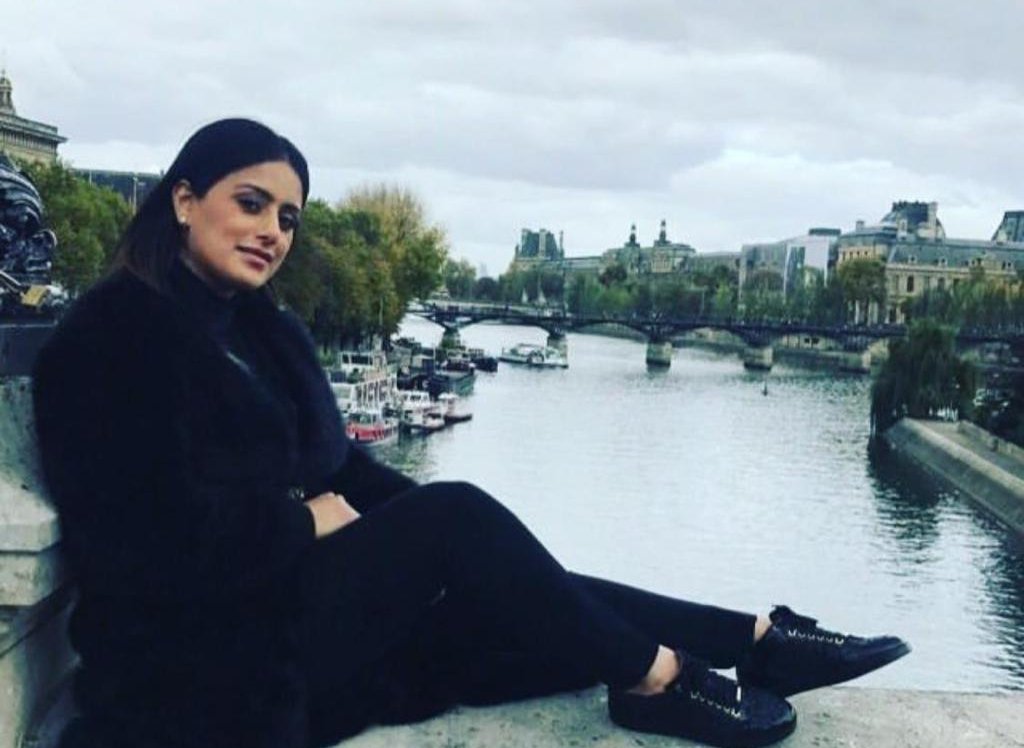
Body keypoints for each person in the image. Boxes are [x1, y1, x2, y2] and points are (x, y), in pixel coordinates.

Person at [32, 118, 910, 748]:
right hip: (195, 665)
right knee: (464, 531)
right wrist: (312, 523)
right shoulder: (107, 342)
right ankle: (660, 680)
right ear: (185, 200)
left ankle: (752, 640)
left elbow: (347, 473)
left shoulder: (261, 331)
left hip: (289, 618)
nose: (272, 233)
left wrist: (437, 554)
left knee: (525, 607)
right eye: (252, 204)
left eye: (288, 218)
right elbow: (144, 551)